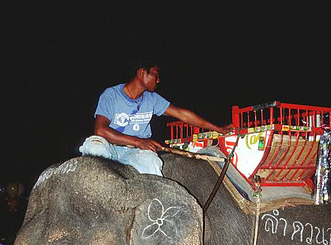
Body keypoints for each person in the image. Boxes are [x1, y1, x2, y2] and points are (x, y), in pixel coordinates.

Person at [79, 59, 231, 176]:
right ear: (141, 72)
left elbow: (183, 115)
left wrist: (218, 128)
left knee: (151, 162)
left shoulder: (152, 99)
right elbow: (100, 130)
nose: (158, 80)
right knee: (94, 146)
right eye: (155, 75)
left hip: (135, 152)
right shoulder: (111, 95)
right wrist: (139, 141)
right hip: (111, 147)